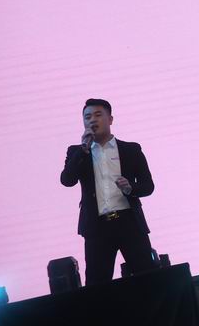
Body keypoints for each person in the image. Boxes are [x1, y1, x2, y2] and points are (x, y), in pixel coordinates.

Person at [60, 98, 158, 285]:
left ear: (110, 119)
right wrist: (83, 150)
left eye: (98, 115)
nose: (92, 120)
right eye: (87, 117)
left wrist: (130, 188)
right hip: (96, 227)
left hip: (129, 222)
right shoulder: (76, 152)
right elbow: (67, 180)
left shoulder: (131, 149)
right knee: (97, 284)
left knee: (148, 279)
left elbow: (148, 186)